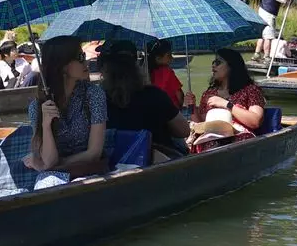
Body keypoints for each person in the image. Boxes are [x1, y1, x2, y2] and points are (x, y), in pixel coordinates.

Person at [24, 36, 109, 178]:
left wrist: (58, 164)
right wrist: (46, 125)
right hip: (54, 177)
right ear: (62, 66)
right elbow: (49, 160)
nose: (86, 61)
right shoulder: (37, 107)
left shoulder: (94, 95)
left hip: (89, 173)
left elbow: (94, 153)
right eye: (81, 57)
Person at [99, 40, 189, 160]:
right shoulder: (154, 95)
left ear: (106, 68)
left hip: (114, 163)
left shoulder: (96, 100)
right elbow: (184, 131)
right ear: (136, 65)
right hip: (158, 163)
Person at [190, 48, 267, 149]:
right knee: (207, 145)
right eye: (213, 62)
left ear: (231, 66)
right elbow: (201, 125)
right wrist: (192, 106)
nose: (213, 65)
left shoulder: (250, 90)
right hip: (211, 137)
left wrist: (226, 104)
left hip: (239, 138)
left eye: (218, 62)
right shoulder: (209, 93)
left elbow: (255, 121)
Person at [147, 40, 192, 110]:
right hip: (170, 111)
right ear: (158, 58)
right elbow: (179, 95)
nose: (172, 58)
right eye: (169, 55)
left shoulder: (145, 71)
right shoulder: (167, 71)